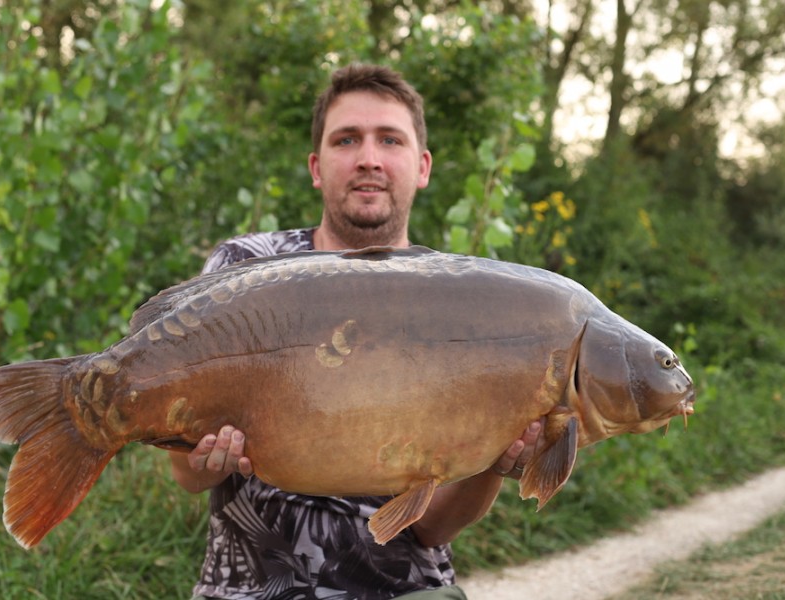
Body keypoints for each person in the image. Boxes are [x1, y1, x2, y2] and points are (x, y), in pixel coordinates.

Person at [170, 63, 545, 600]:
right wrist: (203, 455)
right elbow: (187, 474)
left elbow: (432, 528)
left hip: (406, 588)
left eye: (389, 139)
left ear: (422, 166)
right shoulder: (245, 269)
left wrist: (493, 462)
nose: (368, 157)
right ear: (318, 167)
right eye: (347, 139)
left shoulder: (464, 298)